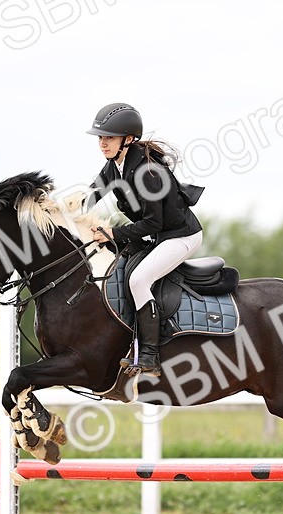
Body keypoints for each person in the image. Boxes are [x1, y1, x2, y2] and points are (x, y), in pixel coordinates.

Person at [85, 103, 203, 376]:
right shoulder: (114, 166)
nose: (103, 143)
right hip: (157, 234)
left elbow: (153, 223)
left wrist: (112, 233)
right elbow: (90, 198)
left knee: (138, 280)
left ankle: (150, 355)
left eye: (109, 138)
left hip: (180, 236)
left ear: (128, 139)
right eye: (101, 137)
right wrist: (58, 214)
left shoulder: (148, 172)